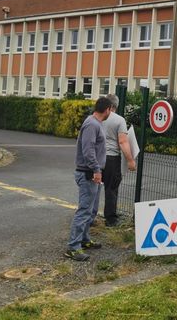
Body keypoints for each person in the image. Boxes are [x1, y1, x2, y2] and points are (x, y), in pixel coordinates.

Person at [65, 97, 112, 261]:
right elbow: (88, 150)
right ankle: (73, 247)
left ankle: (84, 240)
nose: (110, 113)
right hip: (88, 173)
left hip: (92, 173)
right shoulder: (92, 125)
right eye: (110, 110)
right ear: (107, 110)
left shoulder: (94, 123)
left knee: (91, 210)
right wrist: (96, 169)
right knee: (84, 210)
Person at [100, 93, 137, 227]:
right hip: (111, 158)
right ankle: (110, 220)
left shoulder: (97, 117)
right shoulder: (119, 120)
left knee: (94, 188)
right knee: (111, 188)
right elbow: (122, 142)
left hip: (97, 157)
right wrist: (130, 160)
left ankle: (89, 217)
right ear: (115, 106)